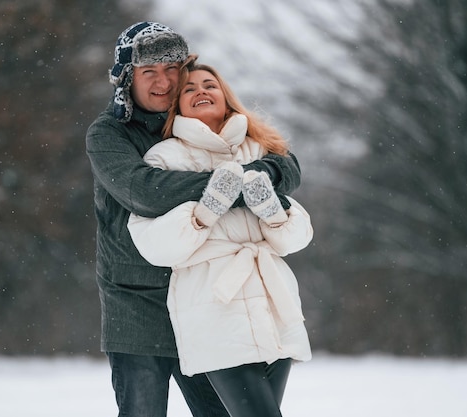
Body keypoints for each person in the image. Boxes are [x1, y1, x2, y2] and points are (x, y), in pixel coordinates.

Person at [85, 22, 304, 417]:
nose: (163, 82)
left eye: (172, 71)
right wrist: (237, 184)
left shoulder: (199, 125)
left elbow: (284, 164)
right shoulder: (109, 134)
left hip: (205, 300)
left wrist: (264, 174)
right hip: (137, 301)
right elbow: (146, 193)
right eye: (149, 72)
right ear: (125, 79)